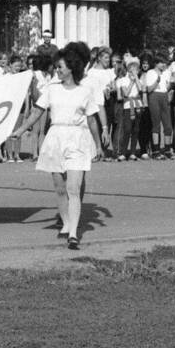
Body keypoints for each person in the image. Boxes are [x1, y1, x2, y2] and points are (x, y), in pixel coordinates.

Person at [11, 45, 107, 250]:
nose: (57, 70)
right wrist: (20, 130)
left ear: (71, 67)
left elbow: (91, 120)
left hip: (77, 139)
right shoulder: (51, 89)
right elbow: (36, 113)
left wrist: (98, 145)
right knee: (60, 188)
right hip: (55, 138)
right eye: (56, 67)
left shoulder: (85, 91)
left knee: (73, 187)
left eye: (60, 67)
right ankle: (66, 223)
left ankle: (73, 233)